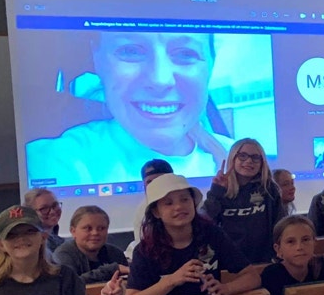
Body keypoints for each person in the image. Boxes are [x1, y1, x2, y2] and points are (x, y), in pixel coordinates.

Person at [24, 28, 233, 183]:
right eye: (131, 51)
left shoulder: (237, 156)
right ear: (97, 61)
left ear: (211, 66)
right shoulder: (55, 160)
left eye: (186, 54)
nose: (160, 80)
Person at [123, 174, 262, 295]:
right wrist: (172, 280)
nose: (178, 207)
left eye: (185, 199)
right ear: (156, 212)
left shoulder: (213, 235)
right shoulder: (145, 250)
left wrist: (225, 288)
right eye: (168, 203)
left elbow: (252, 277)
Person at [202, 137, 285, 264]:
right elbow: (206, 223)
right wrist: (216, 192)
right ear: (233, 159)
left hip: (263, 261)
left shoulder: (269, 190)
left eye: (255, 157)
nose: (249, 161)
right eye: (242, 156)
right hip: (228, 263)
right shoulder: (221, 190)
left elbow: (280, 225)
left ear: (262, 162)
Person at [258, 215, 324, 295]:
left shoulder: (320, 266)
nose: (299, 247)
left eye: (305, 239)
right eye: (291, 242)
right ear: (278, 249)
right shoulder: (271, 274)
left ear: (314, 243)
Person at [53, 204, 130, 283]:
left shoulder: (116, 254)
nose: (95, 233)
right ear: (73, 231)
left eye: (101, 228)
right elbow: (71, 284)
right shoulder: (63, 255)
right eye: (88, 228)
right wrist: (111, 270)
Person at [26, 187, 65, 254]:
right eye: (44, 209)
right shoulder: (33, 244)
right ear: (31, 213)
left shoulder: (58, 239)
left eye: (55, 205)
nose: (52, 212)